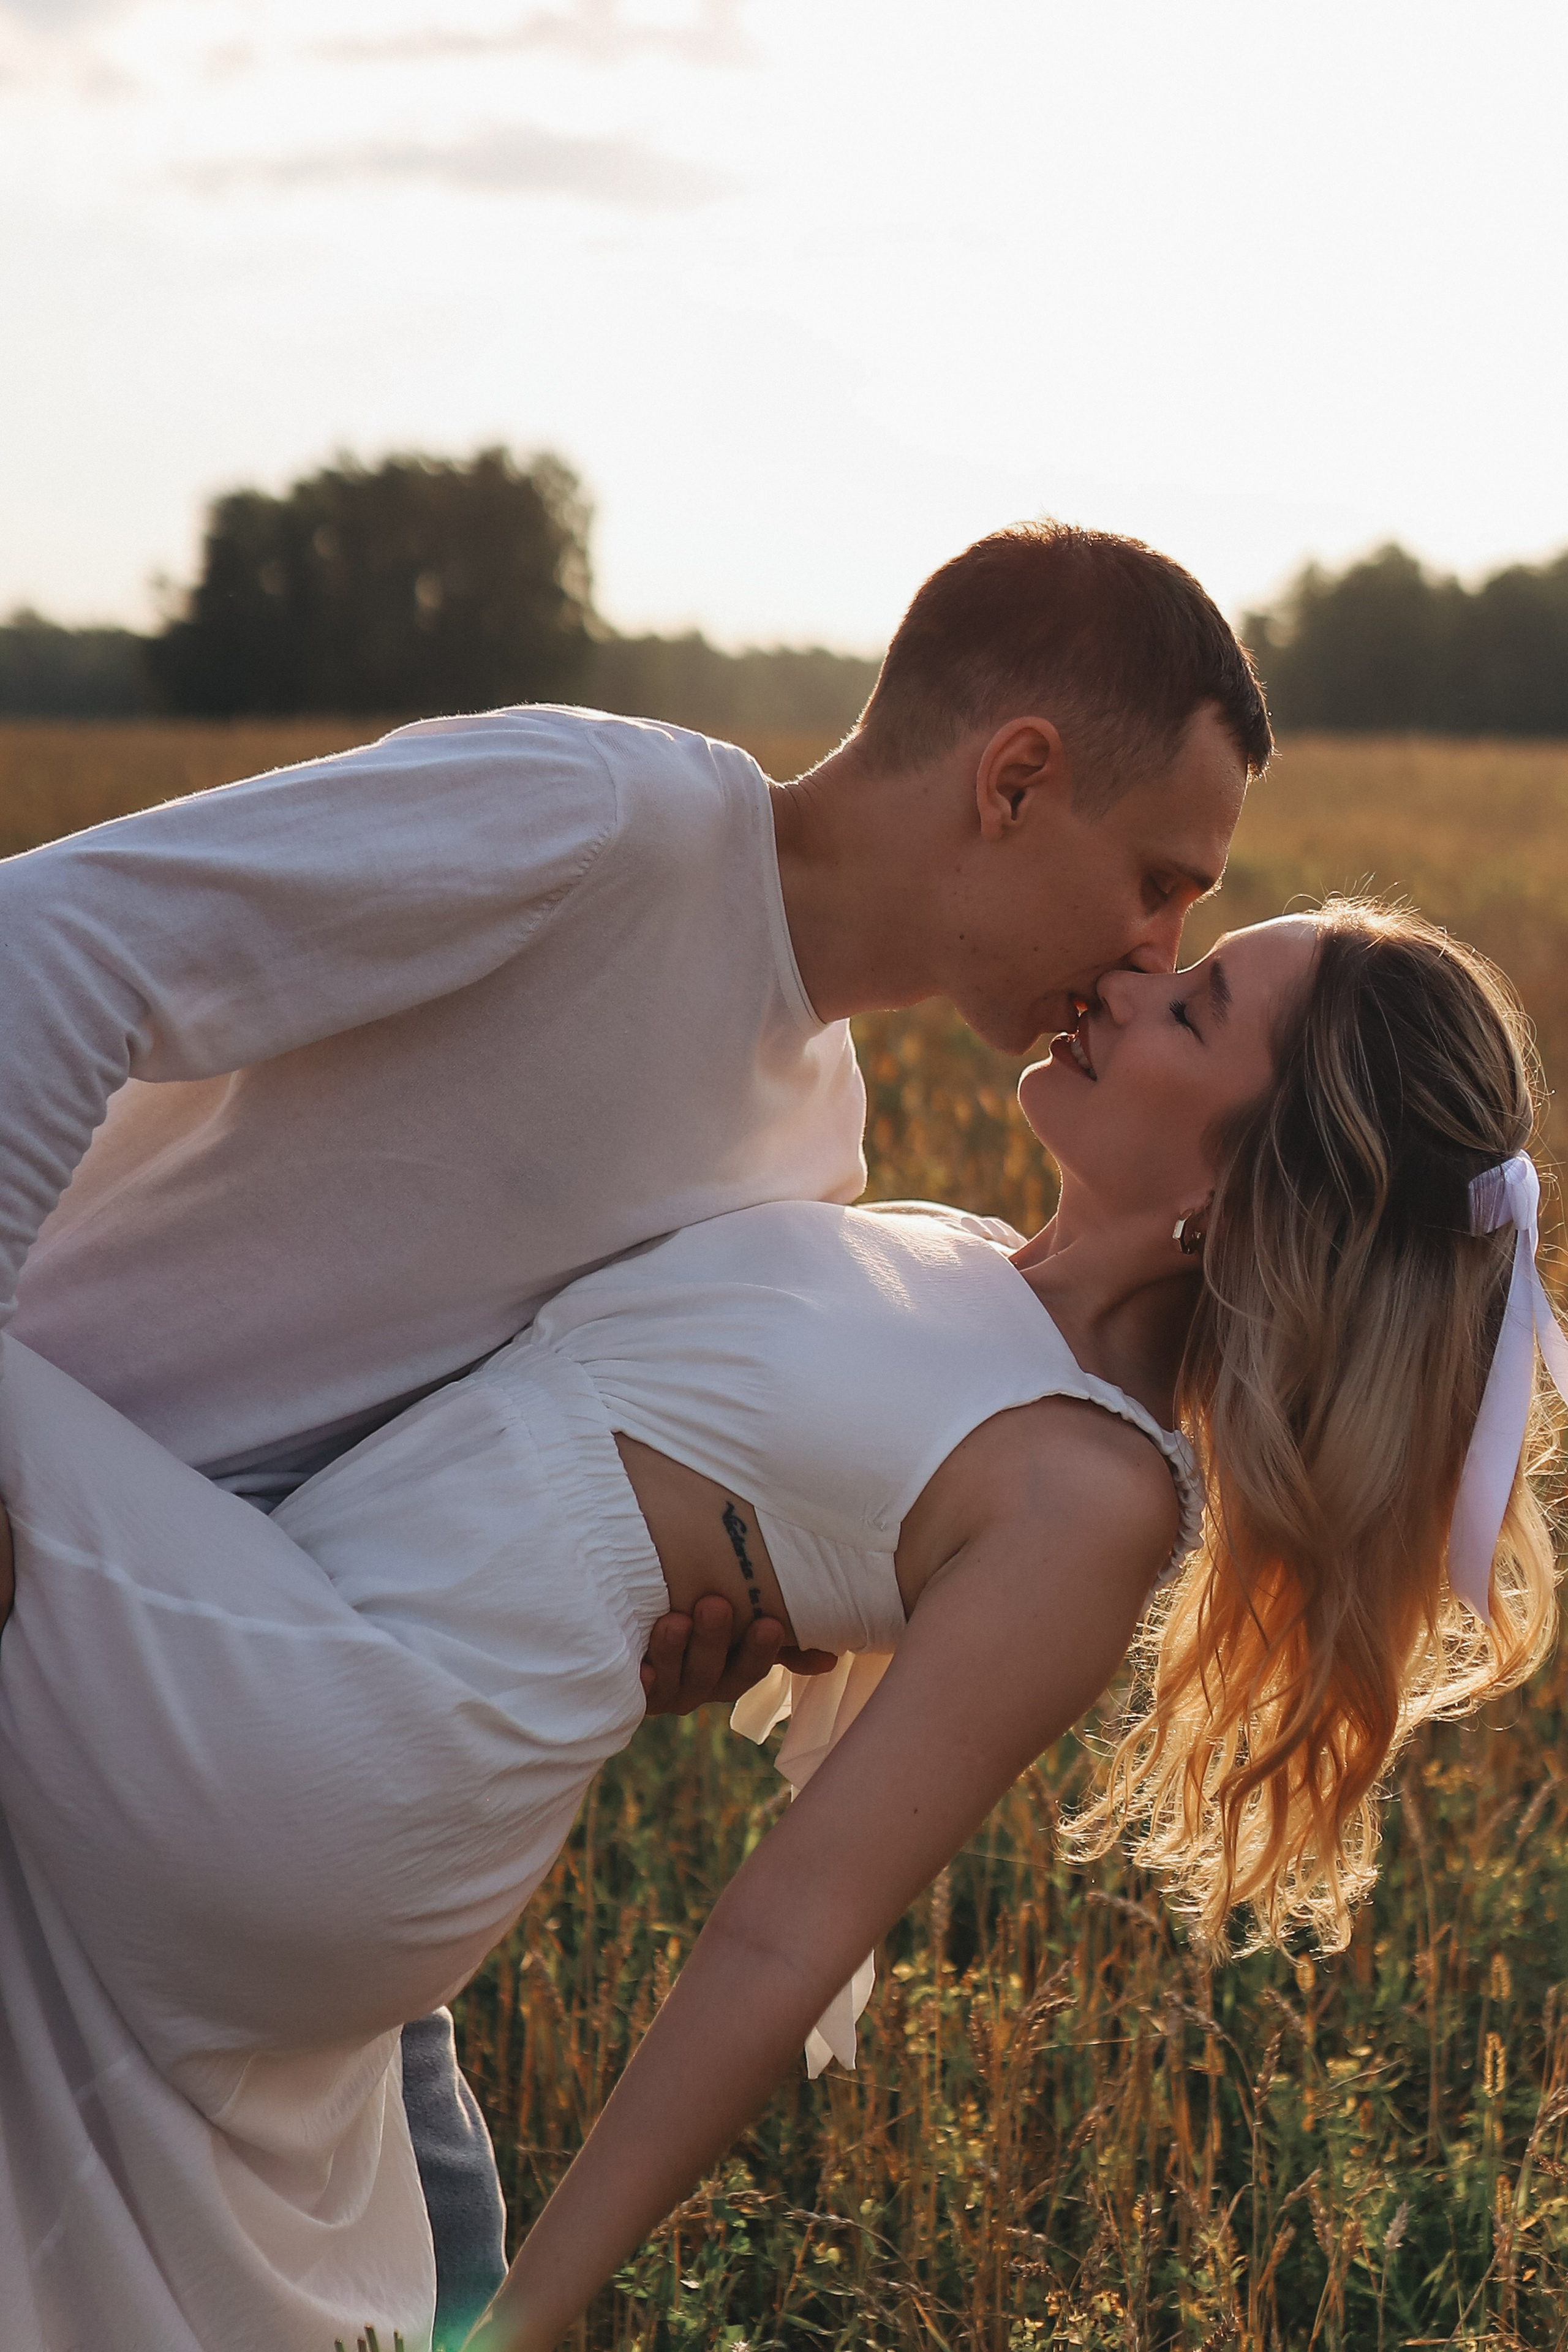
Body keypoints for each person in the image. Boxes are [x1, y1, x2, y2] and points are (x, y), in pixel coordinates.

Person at [0, 524, 1266, 2335]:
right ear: (1015, 781)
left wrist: (676, 1628)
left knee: (389, 2252)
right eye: (1161, 882)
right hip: (104, 1572)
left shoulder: (814, 1160)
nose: (1153, 952)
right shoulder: (605, 823)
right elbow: (51, 945)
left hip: (277, 1658)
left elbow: (560, 1458)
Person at [0, 902, 1559, 2352]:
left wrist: (527, 2321)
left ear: (1237, 1189)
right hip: (310, 1632)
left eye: (1192, 1008)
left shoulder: (1089, 1494)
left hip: (357, 1739)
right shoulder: (956, 1252)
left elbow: (785, 1935)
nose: (1124, 983)